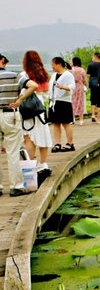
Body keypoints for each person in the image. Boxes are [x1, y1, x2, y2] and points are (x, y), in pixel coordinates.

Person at [0, 57, 36, 195]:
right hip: (10, 115)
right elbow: (33, 86)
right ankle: (16, 186)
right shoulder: (15, 76)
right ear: (3, 62)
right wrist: (20, 100)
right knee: (13, 151)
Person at [20, 51, 52, 181]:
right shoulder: (44, 75)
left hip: (27, 109)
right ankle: (43, 164)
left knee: (28, 137)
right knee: (43, 135)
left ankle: (31, 164)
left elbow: (21, 91)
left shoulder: (24, 75)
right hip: (39, 109)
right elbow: (46, 94)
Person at [49, 57, 76, 151]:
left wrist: (63, 87)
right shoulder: (54, 75)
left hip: (64, 101)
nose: (52, 66)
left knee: (66, 123)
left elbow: (72, 87)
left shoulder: (68, 75)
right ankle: (57, 143)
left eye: (53, 64)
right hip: (54, 102)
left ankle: (70, 143)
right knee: (55, 123)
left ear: (58, 64)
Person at [86, 52, 100, 123]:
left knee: (93, 101)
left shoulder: (90, 65)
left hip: (93, 85)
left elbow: (88, 75)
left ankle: (93, 115)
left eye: (92, 56)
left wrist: (88, 84)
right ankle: (98, 119)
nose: (92, 57)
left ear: (95, 57)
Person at [70, 56, 87, 125]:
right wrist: (86, 86)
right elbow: (85, 80)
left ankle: (72, 119)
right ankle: (81, 120)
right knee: (81, 102)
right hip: (80, 87)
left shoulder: (71, 70)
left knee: (72, 102)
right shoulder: (82, 70)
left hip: (72, 87)